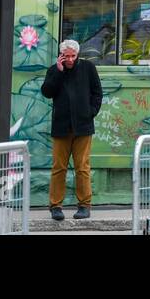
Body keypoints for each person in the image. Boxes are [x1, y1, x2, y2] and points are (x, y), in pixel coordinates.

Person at [41, 39, 103, 220]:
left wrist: (91, 112)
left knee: (82, 167)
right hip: (61, 127)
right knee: (59, 168)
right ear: (61, 56)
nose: (69, 60)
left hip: (83, 126)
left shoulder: (88, 68)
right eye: (65, 56)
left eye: (72, 56)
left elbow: (97, 92)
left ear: (78, 55)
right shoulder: (54, 70)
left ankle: (84, 205)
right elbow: (47, 92)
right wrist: (59, 73)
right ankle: (55, 206)